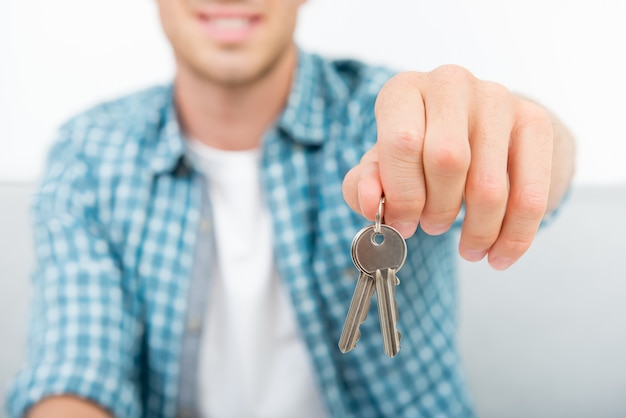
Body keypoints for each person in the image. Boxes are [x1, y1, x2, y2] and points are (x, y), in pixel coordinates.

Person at [6, 0, 575, 417]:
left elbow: (539, 156)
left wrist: (519, 134)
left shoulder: (381, 123)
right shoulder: (89, 153)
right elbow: (75, 372)